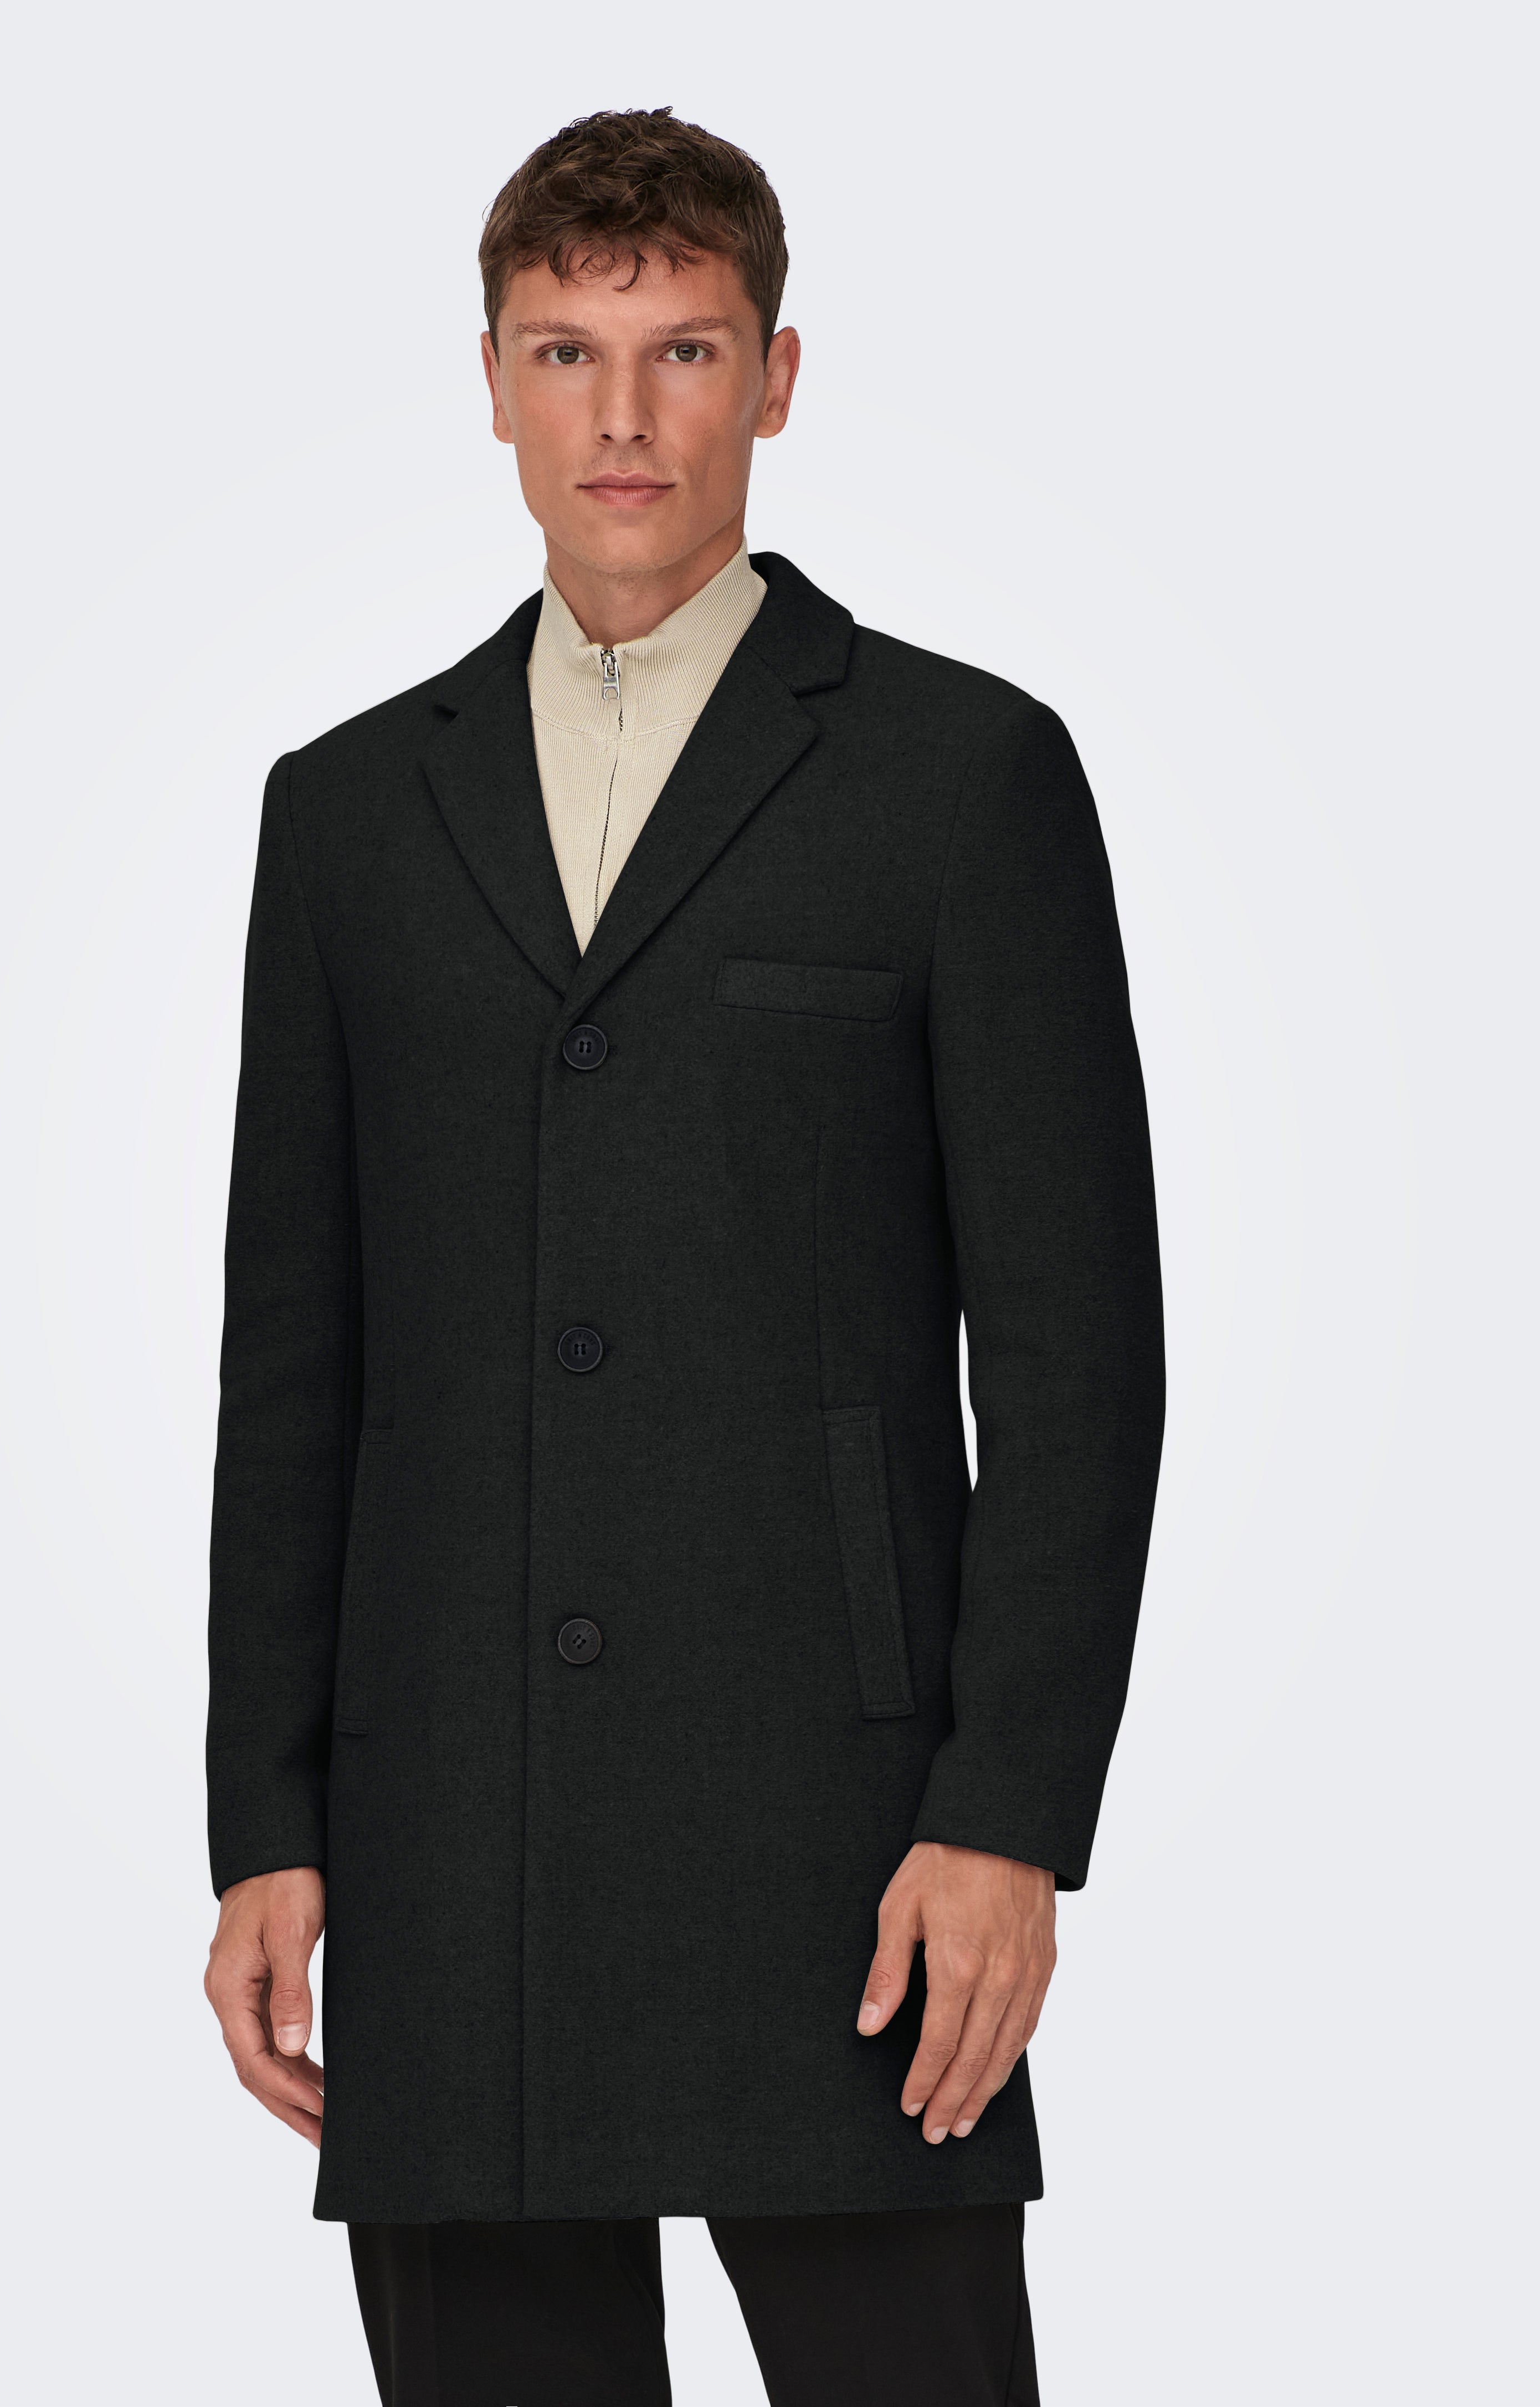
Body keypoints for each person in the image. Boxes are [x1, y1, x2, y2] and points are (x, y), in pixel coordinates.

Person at [202, 106, 1165, 2407]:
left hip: (841, 1836)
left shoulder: (960, 775)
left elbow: (1076, 1353)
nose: (620, 414)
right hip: (453, 1828)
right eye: (565, 350)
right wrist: (267, 1817)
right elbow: (293, 1361)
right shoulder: (346, 812)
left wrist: (1007, 1810)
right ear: (491, 380)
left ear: (775, 376)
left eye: (683, 350)